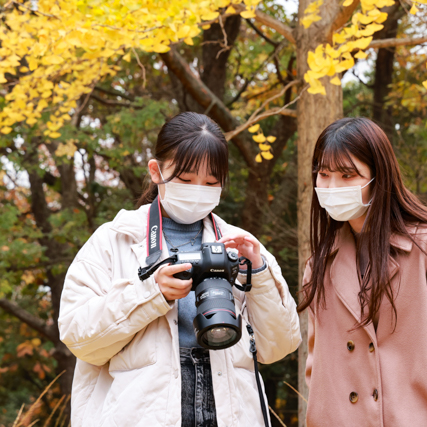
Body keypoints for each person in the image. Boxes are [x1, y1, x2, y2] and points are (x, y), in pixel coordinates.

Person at [58, 112, 301, 427]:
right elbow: (78, 337)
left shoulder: (239, 246)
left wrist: (259, 271)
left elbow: (279, 347)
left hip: (229, 410)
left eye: (211, 183)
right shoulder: (114, 239)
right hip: (143, 412)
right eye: (185, 180)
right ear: (156, 171)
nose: (198, 190)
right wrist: (150, 293)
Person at [299, 117, 427, 427]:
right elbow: (318, 361)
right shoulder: (319, 266)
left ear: (378, 178)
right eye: (324, 175)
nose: (331, 187)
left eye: (347, 175)